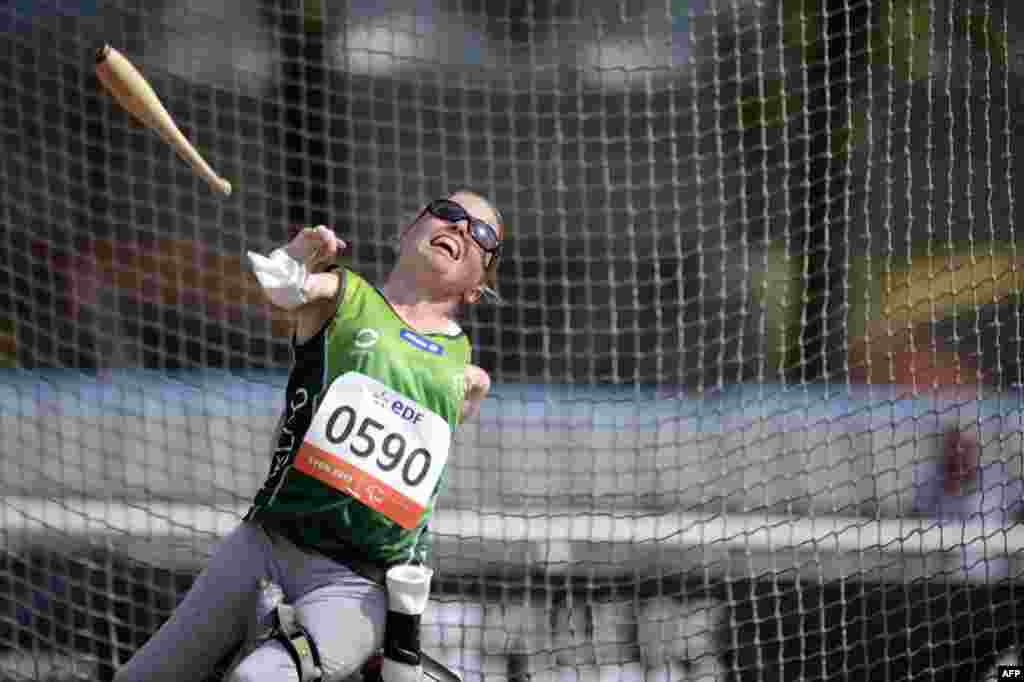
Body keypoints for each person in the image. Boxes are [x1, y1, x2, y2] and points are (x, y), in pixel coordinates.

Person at [113, 190, 505, 682]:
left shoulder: (463, 367)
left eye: (482, 233)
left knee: (258, 679)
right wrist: (298, 254)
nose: (462, 228)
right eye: (449, 213)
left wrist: (473, 388)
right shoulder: (346, 295)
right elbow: (283, 285)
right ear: (408, 231)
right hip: (263, 546)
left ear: (476, 287)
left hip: (359, 584)